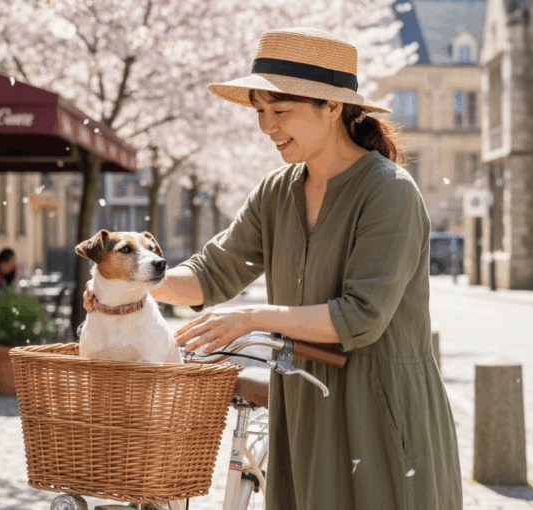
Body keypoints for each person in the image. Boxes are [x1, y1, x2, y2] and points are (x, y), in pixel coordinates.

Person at [84, 28, 461, 509]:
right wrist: (124, 283)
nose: (267, 126)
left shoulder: (391, 192)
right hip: (302, 410)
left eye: (280, 111)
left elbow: (361, 316)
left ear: (332, 106)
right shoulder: (276, 192)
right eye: (260, 111)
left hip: (379, 411)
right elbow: (211, 274)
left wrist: (250, 318)